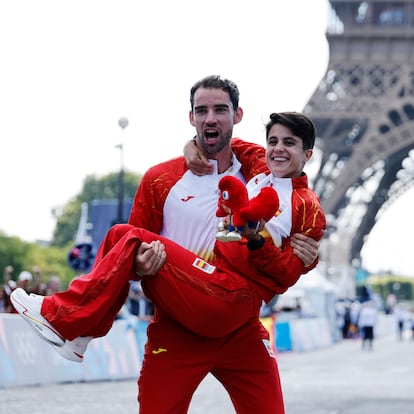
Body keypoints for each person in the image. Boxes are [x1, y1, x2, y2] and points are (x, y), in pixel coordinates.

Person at [11, 75, 321, 413]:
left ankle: (71, 324)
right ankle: (76, 328)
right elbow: (125, 261)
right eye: (201, 111)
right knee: (125, 237)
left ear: (238, 115)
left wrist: (308, 255)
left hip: (239, 325)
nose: (211, 118)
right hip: (178, 324)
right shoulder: (159, 179)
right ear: (191, 118)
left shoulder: (260, 170)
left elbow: (283, 182)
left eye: (221, 110)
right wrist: (142, 266)